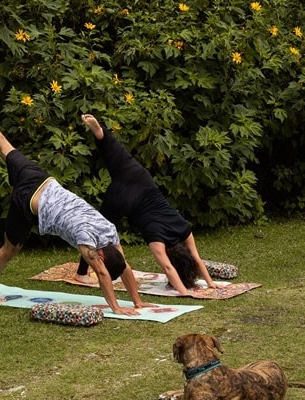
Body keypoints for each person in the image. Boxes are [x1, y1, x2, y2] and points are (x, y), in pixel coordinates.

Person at [0, 93, 152, 316]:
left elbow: (124, 266)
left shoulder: (110, 232)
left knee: (3, 144)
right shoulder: (88, 243)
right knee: (9, 250)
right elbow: (102, 274)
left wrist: (137, 301)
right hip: (28, 203)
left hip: (41, 180)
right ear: (100, 257)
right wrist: (117, 308)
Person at [76, 114, 219, 295]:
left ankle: (101, 134)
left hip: (141, 180)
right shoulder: (157, 241)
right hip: (125, 199)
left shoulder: (184, 229)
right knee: (98, 232)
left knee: (119, 155)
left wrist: (210, 281)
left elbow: (196, 258)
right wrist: (184, 291)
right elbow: (168, 268)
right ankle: (81, 273)